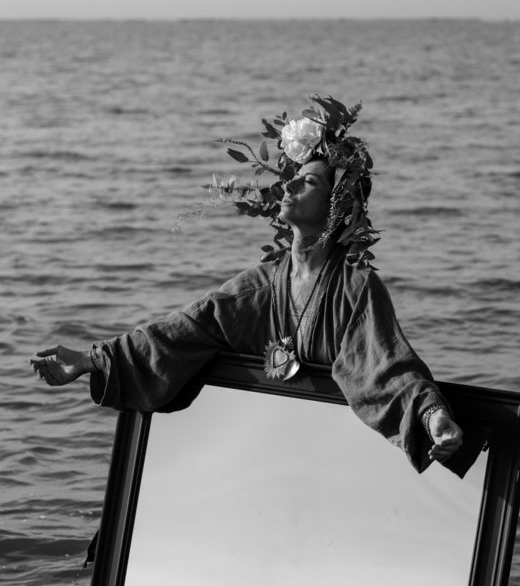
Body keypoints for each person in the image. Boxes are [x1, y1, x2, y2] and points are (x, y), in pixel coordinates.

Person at [30, 95, 464, 473]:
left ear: (338, 205)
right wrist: (90, 360)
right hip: (268, 454)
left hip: (340, 458)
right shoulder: (258, 289)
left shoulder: (356, 290)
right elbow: (177, 334)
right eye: (291, 175)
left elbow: (387, 366)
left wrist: (432, 418)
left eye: (308, 181)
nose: (289, 183)